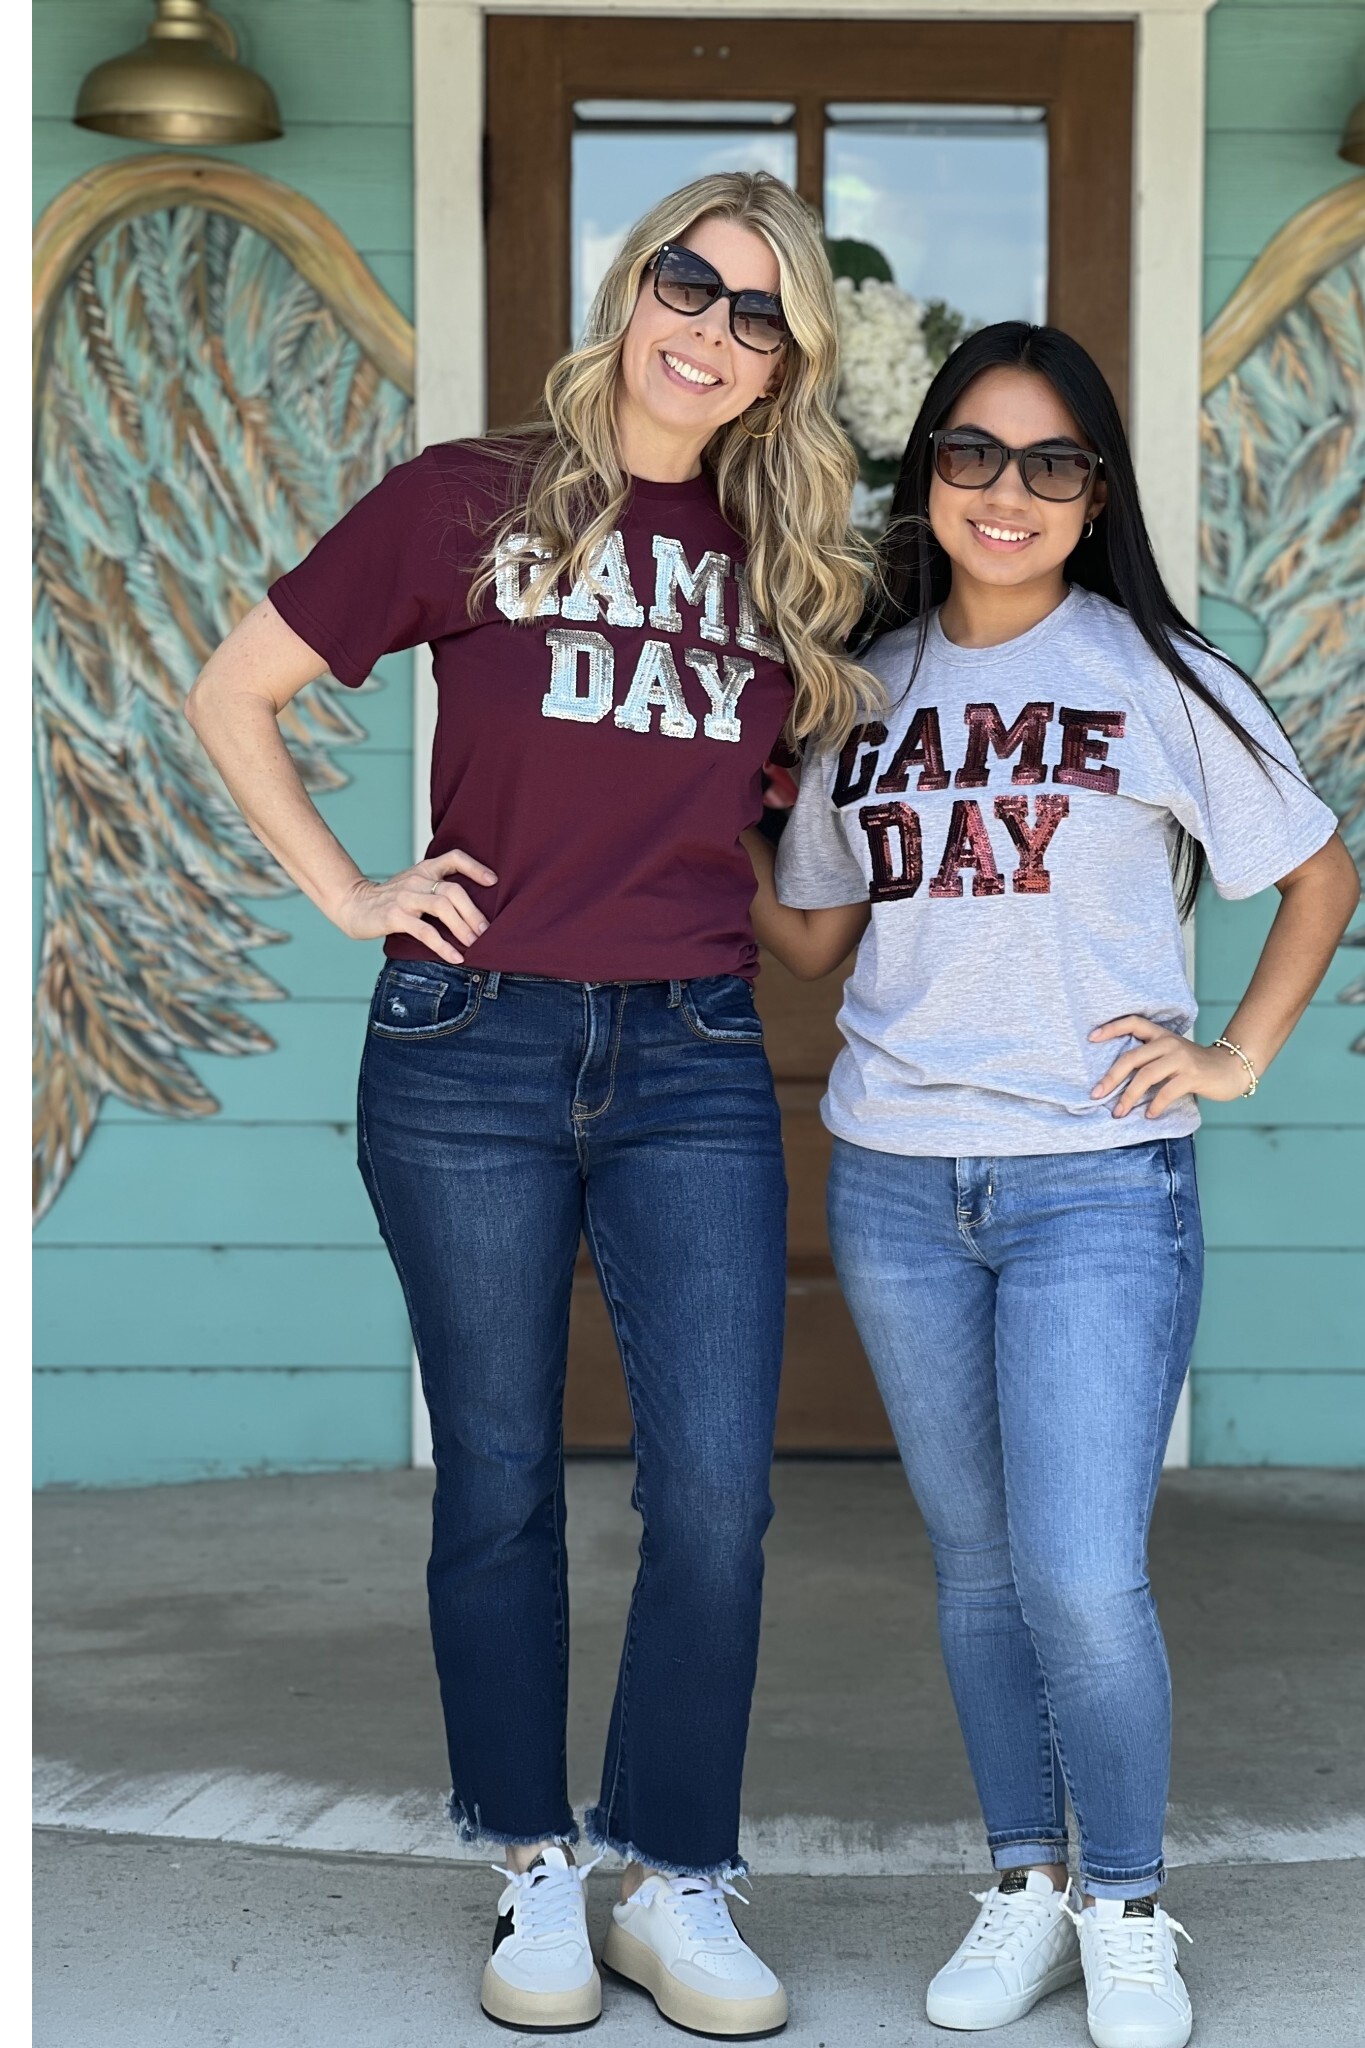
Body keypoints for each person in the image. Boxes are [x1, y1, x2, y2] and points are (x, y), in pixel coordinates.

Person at [185, 170, 875, 2040]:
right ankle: (534, 1871)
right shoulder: (464, 498)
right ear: (630, 284)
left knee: (718, 1493)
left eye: (757, 317)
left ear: (785, 366)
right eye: (688, 283)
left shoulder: (797, 565)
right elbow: (234, 689)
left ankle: (679, 1876)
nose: (709, 332)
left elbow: (807, 860)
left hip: (692, 1060)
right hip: (466, 1046)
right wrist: (352, 893)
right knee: (496, 1480)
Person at [743, 322, 1361, 2048]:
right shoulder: (865, 683)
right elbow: (808, 937)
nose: (1006, 494)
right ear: (924, 476)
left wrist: (1230, 1054)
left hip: (1095, 1183)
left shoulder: (1156, 676)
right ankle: (1022, 1882)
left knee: (1084, 1573)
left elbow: (1317, 877)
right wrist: (706, 795)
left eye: (1052, 465)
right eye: (972, 456)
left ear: (1095, 499)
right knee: (976, 1564)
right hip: (895, 1178)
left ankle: (1129, 1905)